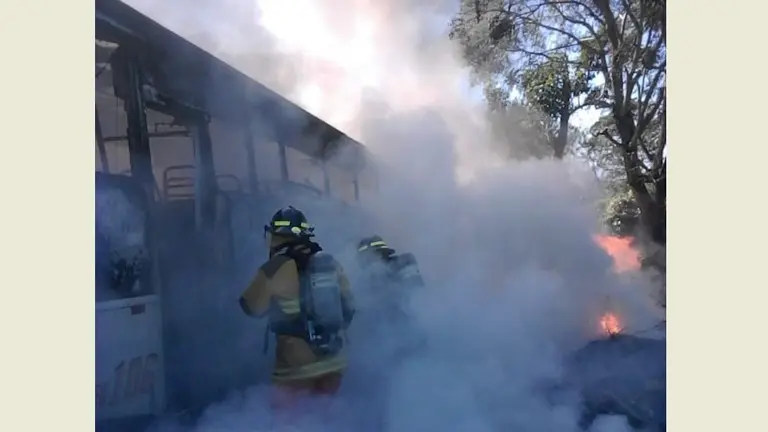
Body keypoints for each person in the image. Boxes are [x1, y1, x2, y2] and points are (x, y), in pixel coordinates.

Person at [239, 206, 356, 420]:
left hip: (294, 369)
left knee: (289, 424)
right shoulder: (330, 263)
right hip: (334, 362)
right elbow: (349, 307)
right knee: (326, 421)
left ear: (275, 236)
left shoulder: (274, 267)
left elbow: (250, 306)